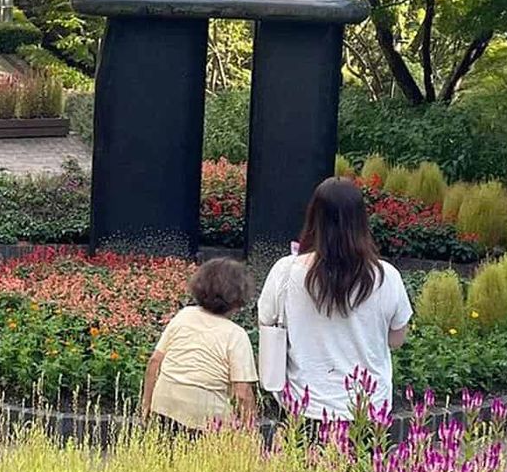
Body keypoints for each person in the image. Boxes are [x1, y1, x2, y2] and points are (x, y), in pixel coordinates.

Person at [257, 177, 412, 421]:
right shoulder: (386, 276)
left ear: (314, 217)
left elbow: (266, 322)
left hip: (303, 406)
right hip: (367, 408)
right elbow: (396, 339)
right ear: (361, 221)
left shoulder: (285, 271)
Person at [141, 258, 258, 433]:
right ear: (238, 299)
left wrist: (147, 407)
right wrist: (250, 430)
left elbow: (155, 362)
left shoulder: (184, 316)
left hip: (164, 406)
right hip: (208, 420)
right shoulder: (236, 335)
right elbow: (242, 393)